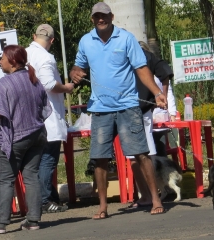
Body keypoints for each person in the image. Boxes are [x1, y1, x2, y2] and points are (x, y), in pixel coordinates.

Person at [69, 2, 167, 218]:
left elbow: (141, 69)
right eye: (97, 17)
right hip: (100, 108)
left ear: (112, 16)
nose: (100, 19)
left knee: (141, 153)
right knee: (99, 157)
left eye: (104, 16)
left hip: (127, 106)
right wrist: (74, 72)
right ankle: (103, 207)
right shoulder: (86, 41)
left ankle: (155, 199)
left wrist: (157, 93)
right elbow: (79, 66)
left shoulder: (126, 38)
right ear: (92, 19)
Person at [0, 45, 52, 234]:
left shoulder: (5, 83)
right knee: (31, 176)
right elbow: (45, 107)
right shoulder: (33, 79)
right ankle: (33, 220)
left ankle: (1, 222)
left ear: (12, 61)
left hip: (14, 138)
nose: (0, 61)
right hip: (37, 134)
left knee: (5, 180)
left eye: (2, 58)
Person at [26, 24, 74, 213]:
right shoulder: (45, 58)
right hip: (48, 116)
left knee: (38, 161)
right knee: (47, 160)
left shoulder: (24, 53)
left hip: (31, 116)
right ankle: (45, 200)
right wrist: (66, 88)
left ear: (33, 35)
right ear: (53, 40)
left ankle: (49, 196)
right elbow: (48, 84)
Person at [127, 42, 175, 208]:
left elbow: (164, 71)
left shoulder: (142, 56)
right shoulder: (117, 56)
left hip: (141, 110)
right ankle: (146, 195)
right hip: (125, 111)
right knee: (133, 158)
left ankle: (154, 196)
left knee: (146, 155)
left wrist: (162, 94)